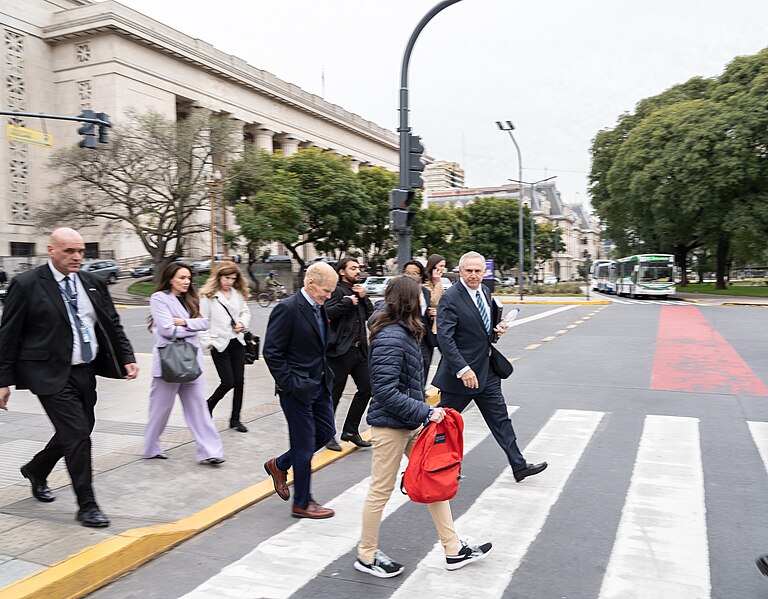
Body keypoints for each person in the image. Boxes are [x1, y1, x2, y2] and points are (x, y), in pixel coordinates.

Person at [355, 275, 492, 578]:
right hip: (390, 427)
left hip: (410, 422)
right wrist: (427, 412)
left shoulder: (406, 331)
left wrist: (423, 403)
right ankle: (366, 555)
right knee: (380, 492)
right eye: (420, 296)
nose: (425, 301)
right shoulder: (391, 336)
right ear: (408, 300)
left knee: (435, 482)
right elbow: (385, 392)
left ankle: (453, 549)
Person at [0, 228, 139, 528]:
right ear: (51, 250)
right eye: (69, 251)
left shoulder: (92, 283)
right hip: (47, 373)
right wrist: (2, 380)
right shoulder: (26, 284)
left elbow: (112, 324)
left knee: (80, 429)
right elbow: (7, 335)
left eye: (80, 251)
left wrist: (126, 357)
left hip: (84, 371)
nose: (77, 257)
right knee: (77, 435)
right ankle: (87, 505)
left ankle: (37, 469)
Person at [434, 251, 548, 483]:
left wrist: (498, 329)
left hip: (487, 371)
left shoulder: (485, 291)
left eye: (478, 271)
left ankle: (519, 465)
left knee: (501, 419)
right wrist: (463, 369)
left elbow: (482, 329)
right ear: (460, 271)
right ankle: (433, 468)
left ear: (484, 272)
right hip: (461, 376)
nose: (474, 275)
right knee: (444, 426)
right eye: (469, 271)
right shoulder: (451, 297)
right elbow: (445, 339)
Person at [263, 262, 338, 519]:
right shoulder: (288, 309)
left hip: (319, 384)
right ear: (310, 283)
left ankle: (280, 464)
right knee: (304, 445)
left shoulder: (319, 306)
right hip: (296, 389)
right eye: (325, 291)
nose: (328, 296)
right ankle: (302, 503)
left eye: (331, 292)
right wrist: (291, 384)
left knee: (326, 432)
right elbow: (271, 352)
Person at [144, 263, 225, 465]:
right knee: (160, 408)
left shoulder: (191, 300)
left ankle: (210, 451)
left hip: (192, 362)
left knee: (199, 408)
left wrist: (183, 322)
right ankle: (151, 446)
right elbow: (166, 330)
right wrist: (192, 326)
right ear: (170, 278)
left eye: (188, 278)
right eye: (181, 278)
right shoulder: (159, 298)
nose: (186, 282)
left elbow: (205, 323)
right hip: (169, 362)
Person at [323, 257, 374, 451]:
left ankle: (350, 430)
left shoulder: (357, 290)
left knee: (367, 388)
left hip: (360, 350)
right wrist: (346, 303)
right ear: (342, 271)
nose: (357, 271)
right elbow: (325, 313)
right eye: (353, 268)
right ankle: (328, 435)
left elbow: (370, 314)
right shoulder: (336, 290)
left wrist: (363, 297)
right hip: (340, 351)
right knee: (334, 394)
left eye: (358, 268)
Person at [199, 262, 252, 433]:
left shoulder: (237, 294)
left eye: (233, 278)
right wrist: (208, 342)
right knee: (228, 381)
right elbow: (202, 321)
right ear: (219, 277)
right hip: (219, 344)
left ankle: (235, 419)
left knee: (239, 382)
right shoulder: (209, 296)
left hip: (237, 342)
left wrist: (241, 323)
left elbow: (245, 312)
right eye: (226, 278)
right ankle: (208, 405)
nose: (229, 281)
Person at [402, 260, 436, 387]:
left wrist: (431, 313)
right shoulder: (400, 292)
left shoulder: (425, 292)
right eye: (407, 273)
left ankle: (420, 396)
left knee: (424, 369)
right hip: (408, 336)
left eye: (415, 273)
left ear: (421, 276)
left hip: (425, 339)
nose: (411, 276)